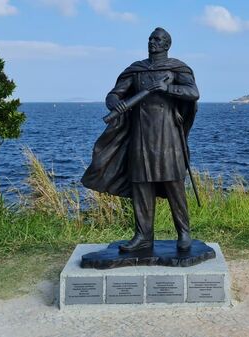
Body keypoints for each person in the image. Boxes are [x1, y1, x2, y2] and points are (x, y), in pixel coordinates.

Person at [81, 27, 200, 252]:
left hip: (168, 136)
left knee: (173, 183)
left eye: (157, 39)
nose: (152, 42)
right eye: (150, 39)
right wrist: (114, 102)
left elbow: (193, 93)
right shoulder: (136, 71)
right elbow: (114, 93)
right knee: (141, 184)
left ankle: (184, 233)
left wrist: (168, 88)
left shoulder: (177, 68)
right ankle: (143, 236)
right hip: (140, 135)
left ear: (166, 45)